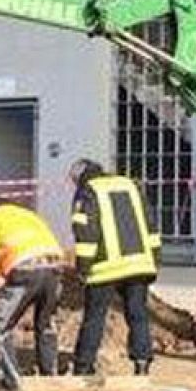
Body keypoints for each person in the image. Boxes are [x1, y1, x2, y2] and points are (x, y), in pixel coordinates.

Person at [68, 159, 162, 376]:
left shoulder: (89, 191)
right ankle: (142, 362)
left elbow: (86, 234)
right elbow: (150, 223)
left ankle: (84, 366)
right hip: (139, 264)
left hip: (105, 268)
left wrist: (83, 269)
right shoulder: (130, 185)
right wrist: (155, 260)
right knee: (138, 314)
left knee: (95, 316)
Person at [0, 195, 64, 391]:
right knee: (46, 325)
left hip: (24, 270)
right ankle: (50, 380)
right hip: (55, 269)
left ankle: (11, 384)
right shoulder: (29, 216)